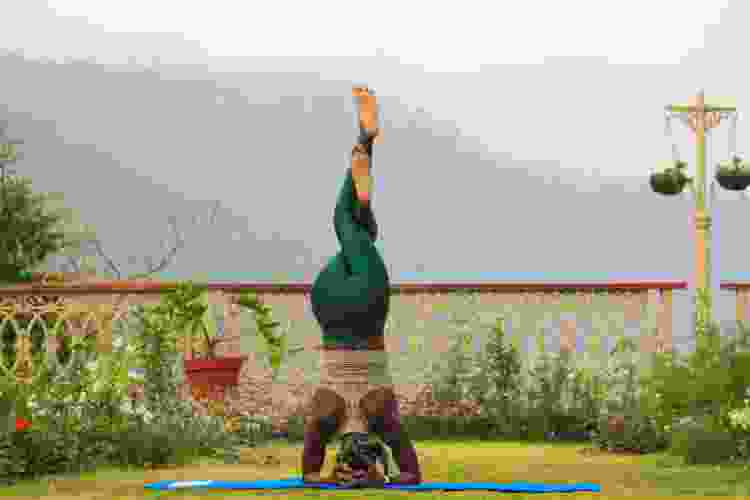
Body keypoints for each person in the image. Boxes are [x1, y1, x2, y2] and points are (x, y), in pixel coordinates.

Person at [302, 87, 421, 486]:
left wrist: (378, 479)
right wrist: (362, 480)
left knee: (352, 227)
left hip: (363, 306)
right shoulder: (329, 414)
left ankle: (365, 147)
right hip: (330, 307)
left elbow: (410, 475)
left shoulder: (379, 416)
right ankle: (364, 157)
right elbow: (308, 475)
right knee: (349, 226)